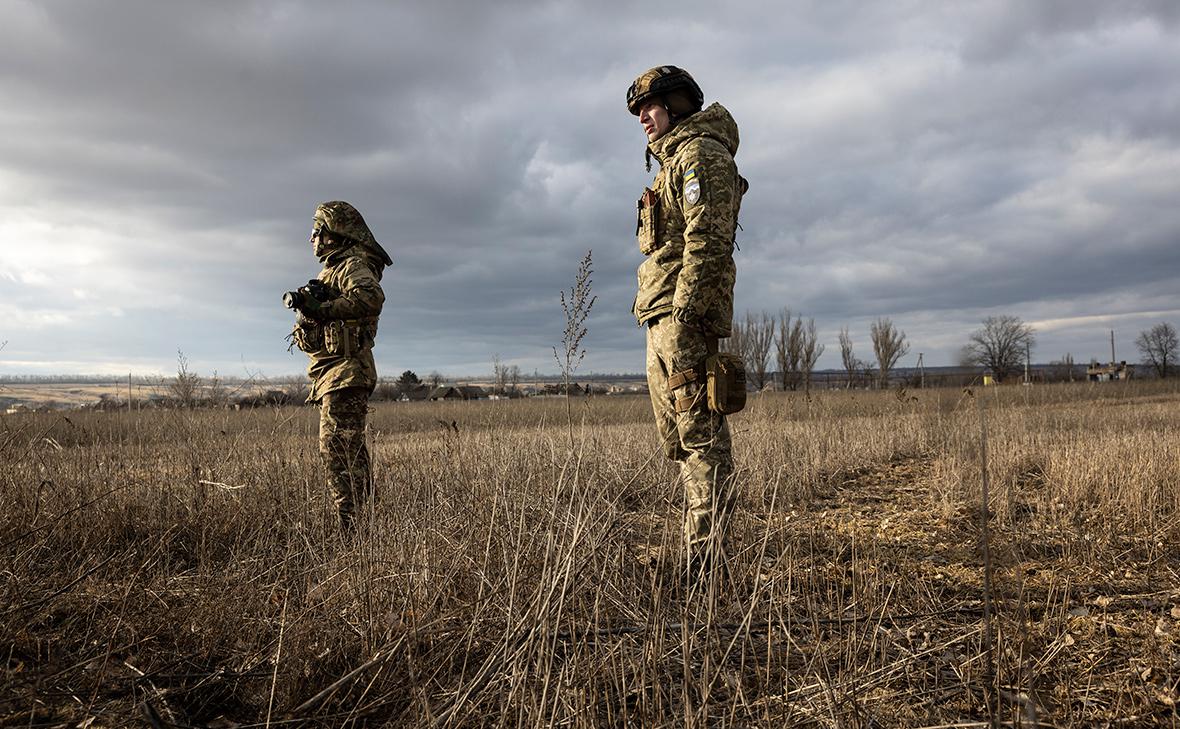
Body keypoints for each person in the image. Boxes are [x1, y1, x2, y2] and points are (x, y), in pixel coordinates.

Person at [627, 66, 747, 578]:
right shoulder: (669, 164)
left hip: (683, 318)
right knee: (677, 441)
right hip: (660, 318)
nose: (643, 120)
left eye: (649, 108)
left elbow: (709, 237)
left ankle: (708, 563)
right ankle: (698, 545)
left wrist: (686, 311)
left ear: (677, 104)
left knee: (701, 438)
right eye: (638, 113)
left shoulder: (701, 155)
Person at [286, 201, 392, 534]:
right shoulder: (330, 272)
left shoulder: (351, 267)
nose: (311, 239)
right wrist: (309, 311)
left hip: (348, 372)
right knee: (345, 450)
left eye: (316, 231)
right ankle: (363, 525)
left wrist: (325, 307)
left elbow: (372, 297)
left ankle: (353, 528)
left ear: (333, 235)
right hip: (333, 373)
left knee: (338, 450)